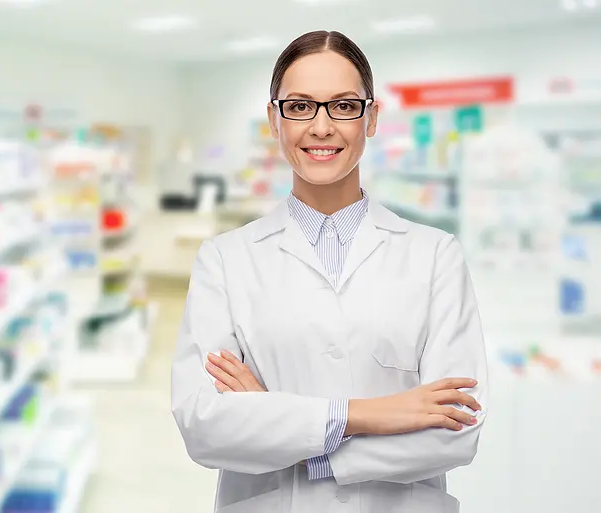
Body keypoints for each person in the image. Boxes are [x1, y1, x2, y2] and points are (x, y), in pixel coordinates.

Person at [169, 30, 489, 513]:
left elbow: (456, 432)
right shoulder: (225, 260)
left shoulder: (435, 255)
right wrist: (369, 414)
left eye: (343, 106)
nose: (321, 127)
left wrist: (285, 432)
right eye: (299, 107)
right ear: (275, 120)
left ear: (372, 118)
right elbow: (205, 425)